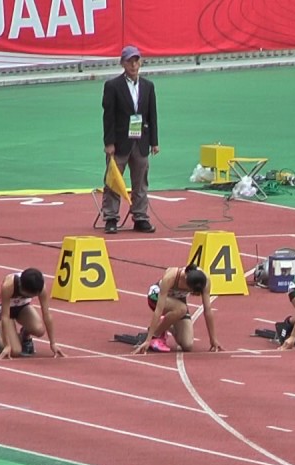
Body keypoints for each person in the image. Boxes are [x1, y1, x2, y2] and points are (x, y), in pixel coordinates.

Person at [101, 45, 159, 234]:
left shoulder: (148, 86)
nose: (133, 65)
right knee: (114, 181)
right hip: (119, 142)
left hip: (140, 141)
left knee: (141, 181)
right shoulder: (112, 86)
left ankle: (140, 217)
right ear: (123, 63)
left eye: (136, 61)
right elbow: (108, 116)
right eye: (129, 61)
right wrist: (109, 143)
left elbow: (152, 115)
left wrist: (154, 142)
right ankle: (111, 217)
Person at [132, 265, 222, 354]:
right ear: (186, 277)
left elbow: (207, 310)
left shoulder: (205, 281)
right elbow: (158, 310)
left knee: (187, 345)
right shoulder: (171, 277)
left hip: (178, 304)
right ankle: (156, 335)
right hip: (156, 297)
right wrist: (149, 339)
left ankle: (166, 323)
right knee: (182, 308)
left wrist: (213, 339)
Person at [0, 268, 64, 359]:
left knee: (40, 330)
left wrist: (52, 343)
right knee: (15, 351)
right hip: (4, 310)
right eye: (28, 295)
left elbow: (47, 314)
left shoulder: (41, 287)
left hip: (22, 308)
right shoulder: (9, 285)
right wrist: (7, 345)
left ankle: (23, 335)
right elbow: (5, 316)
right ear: (21, 286)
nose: (30, 297)